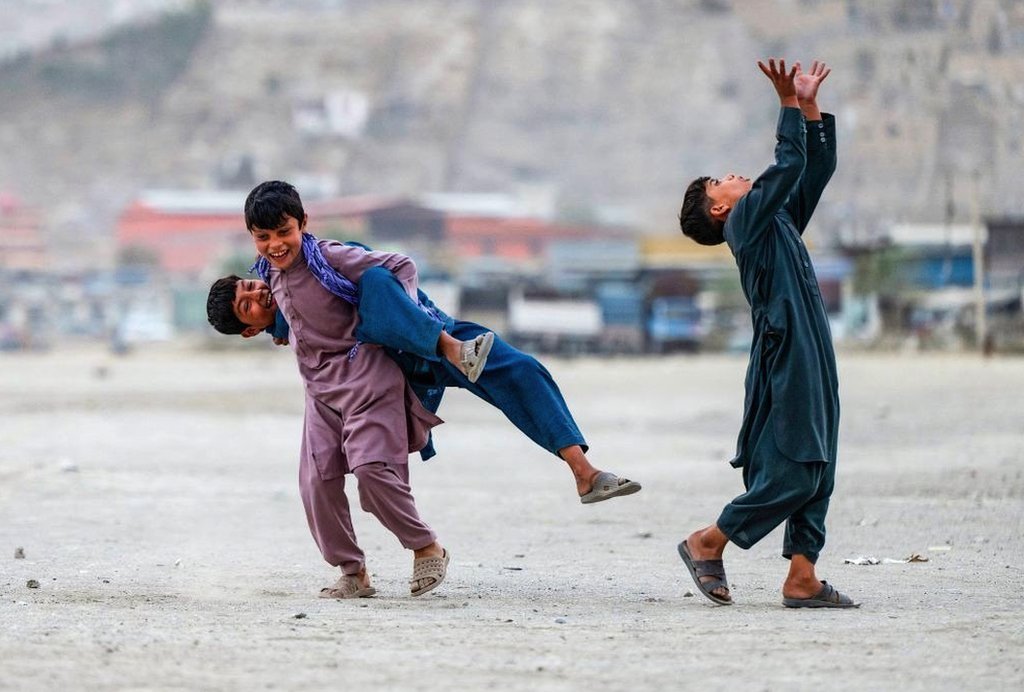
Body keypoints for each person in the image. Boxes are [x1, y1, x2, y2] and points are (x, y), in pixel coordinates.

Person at [207, 183, 641, 504]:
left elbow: (392, 270)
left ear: (302, 224)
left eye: (251, 285)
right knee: (361, 467)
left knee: (521, 370)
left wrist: (421, 315)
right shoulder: (289, 310)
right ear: (250, 330)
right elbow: (295, 326)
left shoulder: (328, 258)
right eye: (249, 306)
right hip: (388, 370)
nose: (259, 292)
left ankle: (584, 472)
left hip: (431, 332)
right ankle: (398, 554)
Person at [209, 183, 453, 600]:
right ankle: (353, 572)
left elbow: (400, 265)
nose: (275, 245)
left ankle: (425, 547)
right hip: (320, 394)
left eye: (283, 232)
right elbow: (281, 313)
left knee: (373, 472)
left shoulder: (327, 258)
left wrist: (404, 319)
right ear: (252, 237)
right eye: (263, 237)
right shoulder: (268, 274)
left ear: (303, 223)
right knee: (315, 484)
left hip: (367, 379)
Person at [675, 59, 857, 608]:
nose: (732, 173)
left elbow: (812, 169)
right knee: (799, 466)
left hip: (812, 348)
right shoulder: (745, 224)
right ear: (720, 207)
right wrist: (785, 104)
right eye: (721, 180)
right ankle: (708, 540)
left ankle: (803, 576)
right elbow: (788, 160)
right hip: (788, 352)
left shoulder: (772, 219)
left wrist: (809, 108)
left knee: (820, 460)